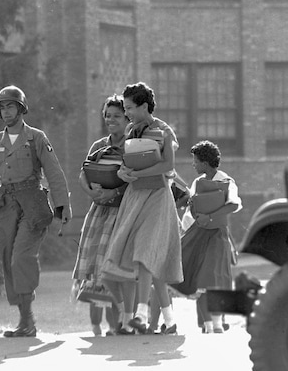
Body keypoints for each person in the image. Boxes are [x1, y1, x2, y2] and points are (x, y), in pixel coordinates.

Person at [0, 85, 72, 337]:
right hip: (6, 205)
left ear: (21, 108)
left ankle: (28, 320)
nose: (6, 112)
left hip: (33, 204)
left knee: (21, 257)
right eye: (2, 107)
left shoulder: (36, 137)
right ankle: (23, 319)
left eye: (11, 106)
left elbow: (54, 172)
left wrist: (63, 205)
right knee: (6, 256)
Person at [100, 82, 183, 335]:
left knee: (146, 252)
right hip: (135, 197)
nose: (127, 113)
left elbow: (168, 164)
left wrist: (139, 172)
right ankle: (170, 321)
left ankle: (141, 313)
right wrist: (124, 173)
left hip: (158, 197)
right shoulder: (131, 131)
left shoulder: (163, 131)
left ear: (144, 106)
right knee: (150, 260)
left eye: (129, 108)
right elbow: (127, 162)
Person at [72, 94, 136, 336]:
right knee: (97, 269)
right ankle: (102, 326)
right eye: (107, 115)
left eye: (117, 116)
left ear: (127, 118)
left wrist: (113, 192)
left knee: (115, 269)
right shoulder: (98, 146)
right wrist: (91, 192)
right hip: (99, 212)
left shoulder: (133, 144)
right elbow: (83, 173)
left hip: (122, 212)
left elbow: (135, 179)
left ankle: (120, 323)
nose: (111, 120)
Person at [171, 140, 242, 333]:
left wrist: (210, 216)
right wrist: (195, 213)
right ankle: (207, 324)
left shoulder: (226, 181)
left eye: (195, 161)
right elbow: (193, 205)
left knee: (215, 276)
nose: (193, 164)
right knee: (199, 276)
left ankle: (217, 323)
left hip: (217, 233)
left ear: (205, 162)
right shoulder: (197, 182)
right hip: (199, 232)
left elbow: (234, 204)